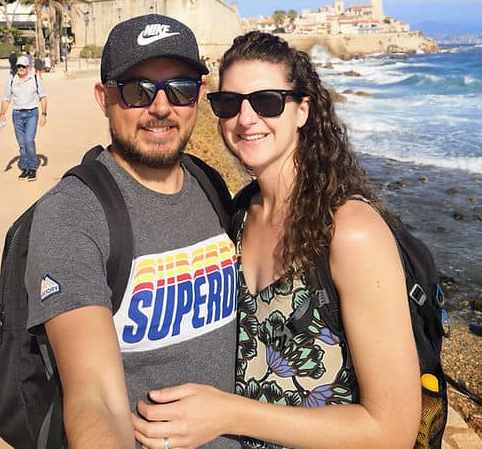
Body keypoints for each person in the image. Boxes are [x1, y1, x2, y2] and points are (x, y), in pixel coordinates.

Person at [133, 31, 421, 449]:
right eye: (229, 103)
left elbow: (392, 429)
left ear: (302, 110)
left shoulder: (350, 231)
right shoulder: (235, 216)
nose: (245, 119)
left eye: (266, 101)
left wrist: (228, 413)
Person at [25, 15, 239, 448]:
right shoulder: (72, 214)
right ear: (104, 98)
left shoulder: (211, 185)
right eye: (137, 90)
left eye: (179, 88)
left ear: (199, 95)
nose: (161, 108)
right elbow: (96, 399)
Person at [0, 54, 47, 181]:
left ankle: (32, 168)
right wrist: (2, 113)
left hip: (32, 113)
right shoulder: (11, 80)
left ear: (28, 67)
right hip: (17, 115)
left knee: (29, 141)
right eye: (19, 66)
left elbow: (43, 97)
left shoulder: (35, 79)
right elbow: (6, 99)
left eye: (23, 66)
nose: (21, 68)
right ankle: (25, 168)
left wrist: (44, 114)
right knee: (21, 144)